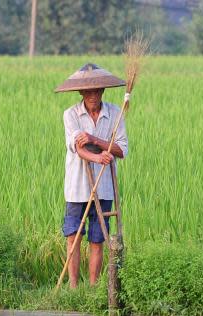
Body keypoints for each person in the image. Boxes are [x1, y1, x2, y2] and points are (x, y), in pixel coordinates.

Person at [56, 63, 128, 289]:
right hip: (78, 186)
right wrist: (97, 157)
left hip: (104, 186)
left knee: (97, 239)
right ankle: (74, 286)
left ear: (103, 92)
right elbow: (78, 146)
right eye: (88, 91)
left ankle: (95, 287)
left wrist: (97, 141)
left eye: (97, 91)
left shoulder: (115, 114)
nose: (93, 96)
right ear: (81, 92)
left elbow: (122, 150)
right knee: (73, 236)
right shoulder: (71, 115)